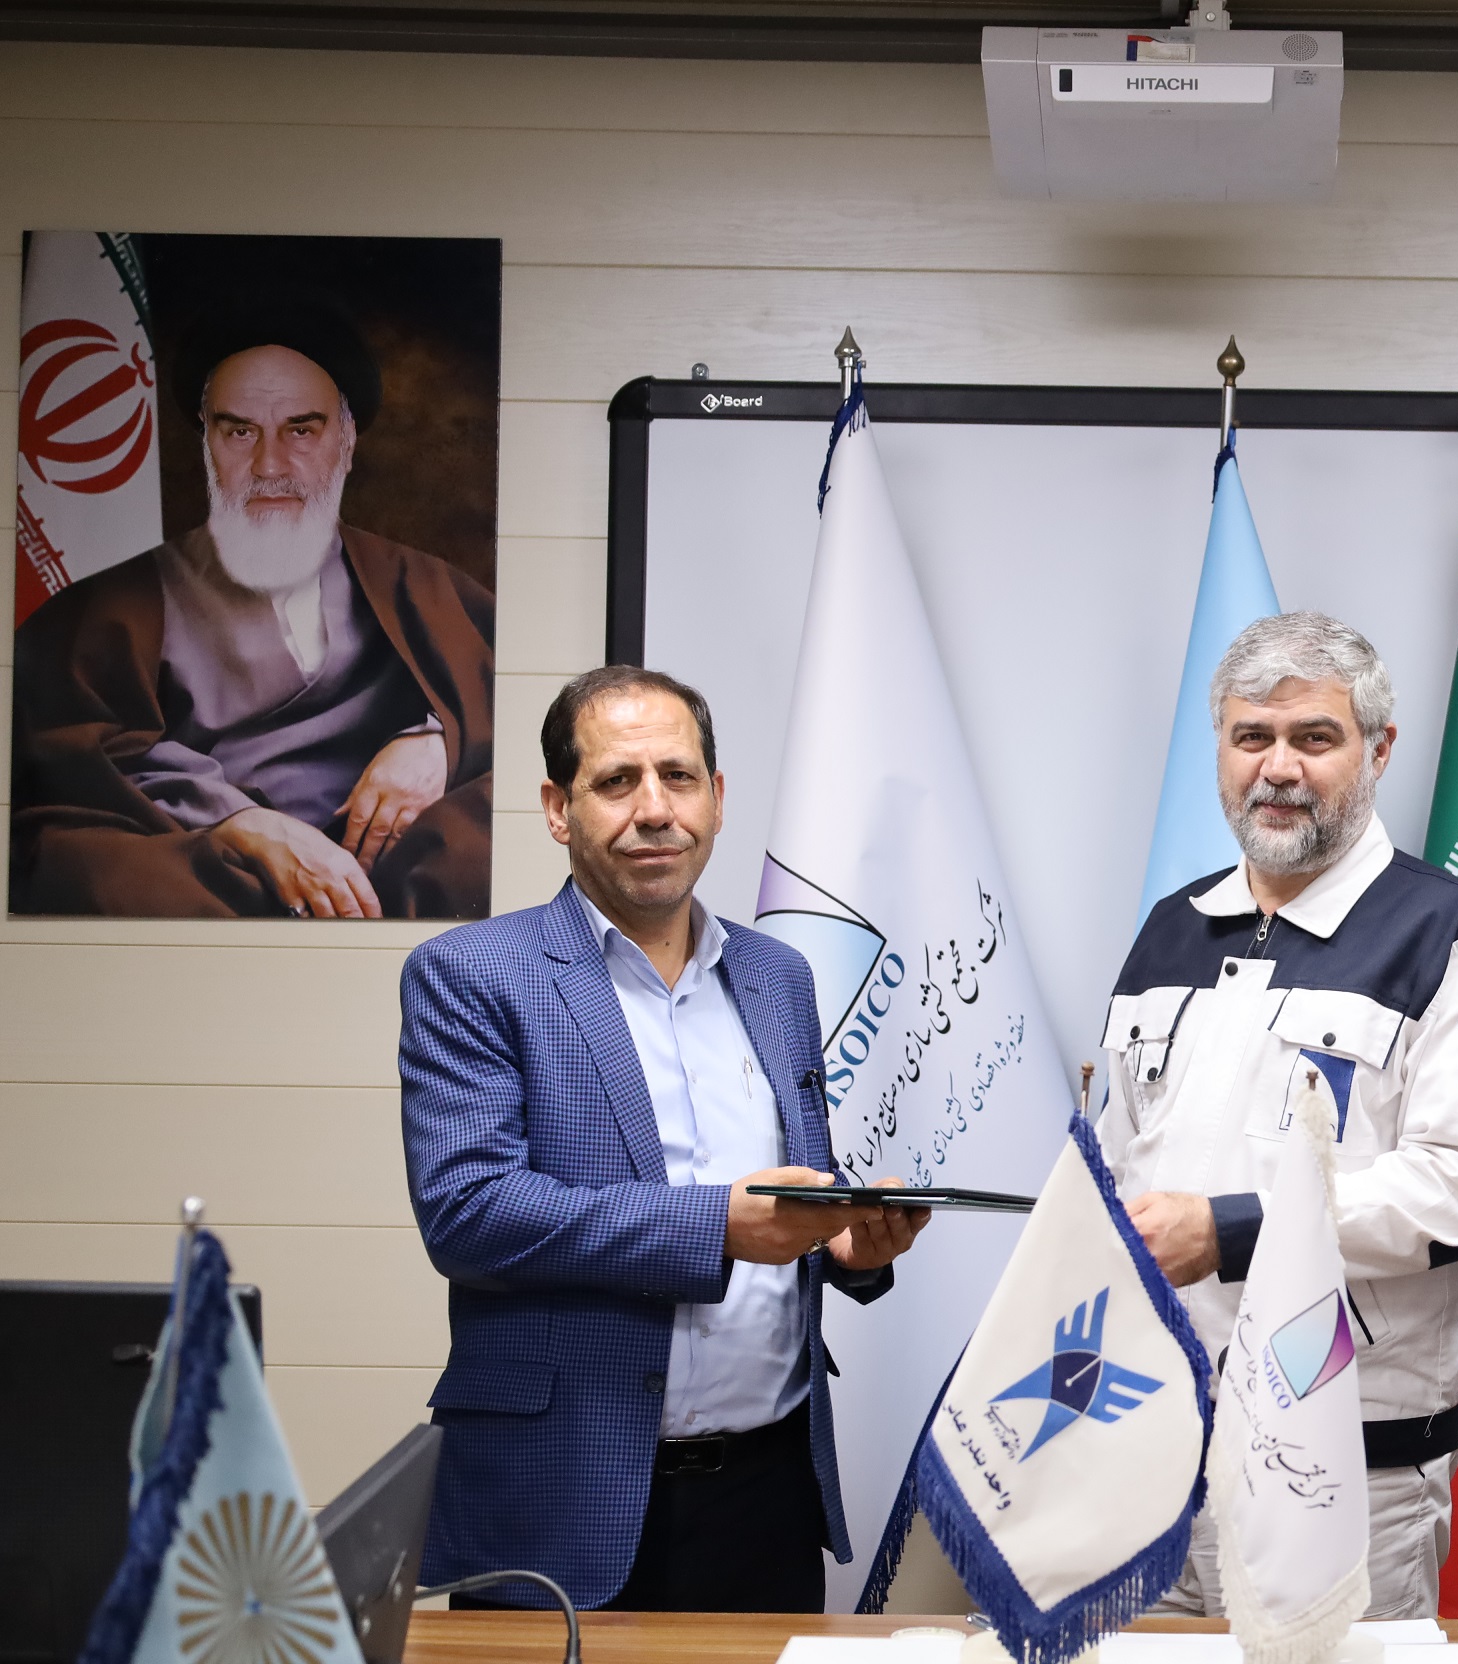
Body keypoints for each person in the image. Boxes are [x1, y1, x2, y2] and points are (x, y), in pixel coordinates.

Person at [399, 665, 928, 1612]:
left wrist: (844, 1241)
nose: (654, 809)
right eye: (617, 781)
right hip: (564, 1493)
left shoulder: (778, 977)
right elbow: (469, 1214)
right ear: (558, 809)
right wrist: (718, 1226)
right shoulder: (472, 974)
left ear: (715, 799)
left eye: (678, 778)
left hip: (768, 1494)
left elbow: (796, 1187)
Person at [1100, 612, 1458, 1619]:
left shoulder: (1454, 935)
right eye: (1252, 737)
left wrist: (1231, 1230)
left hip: (1345, 1470)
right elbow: (1120, 1165)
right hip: (1150, 1455)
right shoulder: (1170, 929)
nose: (1278, 767)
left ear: (1377, 750)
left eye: (1314, 737)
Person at [11, 298, 494, 919]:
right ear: (206, 443)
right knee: (85, 869)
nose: (270, 465)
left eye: (301, 430)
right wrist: (242, 823)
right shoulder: (116, 602)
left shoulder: (420, 583)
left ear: (346, 442)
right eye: (240, 431)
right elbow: (74, 753)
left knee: (485, 840)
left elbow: (520, 702)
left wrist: (436, 743)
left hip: (390, 858)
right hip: (209, 860)